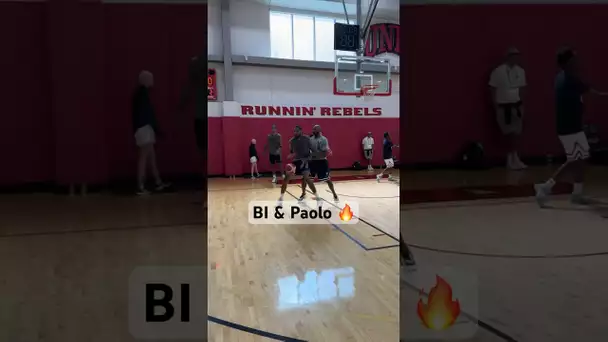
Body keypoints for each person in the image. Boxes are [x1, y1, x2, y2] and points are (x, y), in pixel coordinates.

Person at [535, 47, 608, 207]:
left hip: (571, 125)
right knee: (576, 159)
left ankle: (577, 193)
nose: (577, 61)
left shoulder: (562, 77)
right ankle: (546, 187)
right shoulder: (571, 80)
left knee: (581, 158)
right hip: (570, 127)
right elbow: (595, 94)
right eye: (574, 59)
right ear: (568, 62)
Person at [132, 70, 170, 195]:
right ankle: (140, 186)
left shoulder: (140, 94)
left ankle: (158, 182)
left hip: (143, 129)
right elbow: (148, 115)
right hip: (145, 128)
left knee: (151, 157)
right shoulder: (143, 95)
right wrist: (157, 129)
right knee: (144, 157)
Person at [489, 47, 528, 170]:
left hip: (516, 105)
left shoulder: (521, 71)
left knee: (516, 133)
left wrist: (522, 104)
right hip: (503, 106)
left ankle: (515, 157)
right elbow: (492, 89)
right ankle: (509, 158)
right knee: (508, 133)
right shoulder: (498, 71)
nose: (515, 58)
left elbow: (522, 89)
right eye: (513, 56)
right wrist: (495, 105)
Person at [278, 126, 318, 205]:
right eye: (294, 131)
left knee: (306, 178)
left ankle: (314, 195)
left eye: (297, 131)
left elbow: (313, 151)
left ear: (301, 131)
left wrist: (307, 159)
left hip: (305, 160)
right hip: (296, 161)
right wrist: (291, 155)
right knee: (286, 177)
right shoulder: (292, 141)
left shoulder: (307, 139)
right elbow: (293, 152)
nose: (295, 133)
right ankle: (281, 197)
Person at [301, 125, 339, 203]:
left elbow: (322, 154)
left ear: (319, 130)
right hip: (312, 163)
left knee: (328, 180)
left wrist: (312, 155)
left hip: (321, 162)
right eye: (312, 129)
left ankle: (334, 194)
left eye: (314, 129)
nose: (312, 130)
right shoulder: (310, 139)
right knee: (305, 178)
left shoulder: (323, 139)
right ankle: (303, 193)